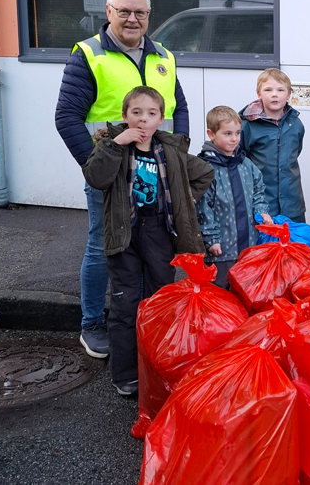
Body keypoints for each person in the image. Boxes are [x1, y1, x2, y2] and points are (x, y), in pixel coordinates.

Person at [55, 0, 190, 360]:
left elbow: (178, 108)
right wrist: (99, 168)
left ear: (149, 15)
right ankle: (92, 325)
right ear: (108, 11)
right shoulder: (89, 54)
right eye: (124, 11)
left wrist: (177, 156)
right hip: (112, 177)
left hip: (155, 173)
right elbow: (67, 117)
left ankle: (142, 322)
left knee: (149, 247)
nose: (133, 19)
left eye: (140, 12)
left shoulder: (163, 56)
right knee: (104, 247)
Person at [82, 87, 213, 396]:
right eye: (136, 113)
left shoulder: (169, 150)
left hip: (158, 232)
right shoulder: (112, 145)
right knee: (125, 303)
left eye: (151, 113)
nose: (143, 120)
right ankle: (125, 375)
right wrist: (117, 144)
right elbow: (96, 178)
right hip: (124, 233)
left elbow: (205, 173)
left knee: (159, 302)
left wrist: (182, 202)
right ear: (125, 115)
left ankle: (155, 369)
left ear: (161, 118)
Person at [196, 106, 273, 288]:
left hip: (248, 246)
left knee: (246, 290)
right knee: (220, 291)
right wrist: (211, 239)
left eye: (238, 133)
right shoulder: (205, 169)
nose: (234, 139)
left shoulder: (246, 164)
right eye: (227, 133)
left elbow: (259, 191)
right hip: (222, 249)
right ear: (211, 134)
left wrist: (261, 211)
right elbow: (202, 208)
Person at [240, 69, 306, 223]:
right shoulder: (247, 125)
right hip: (262, 205)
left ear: (289, 95)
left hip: (292, 206)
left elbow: (296, 152)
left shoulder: (295, 123)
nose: (274, 94)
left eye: (280, 90)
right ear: (259, 94)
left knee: (295, 238)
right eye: (268, 90)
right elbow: (239, 161)